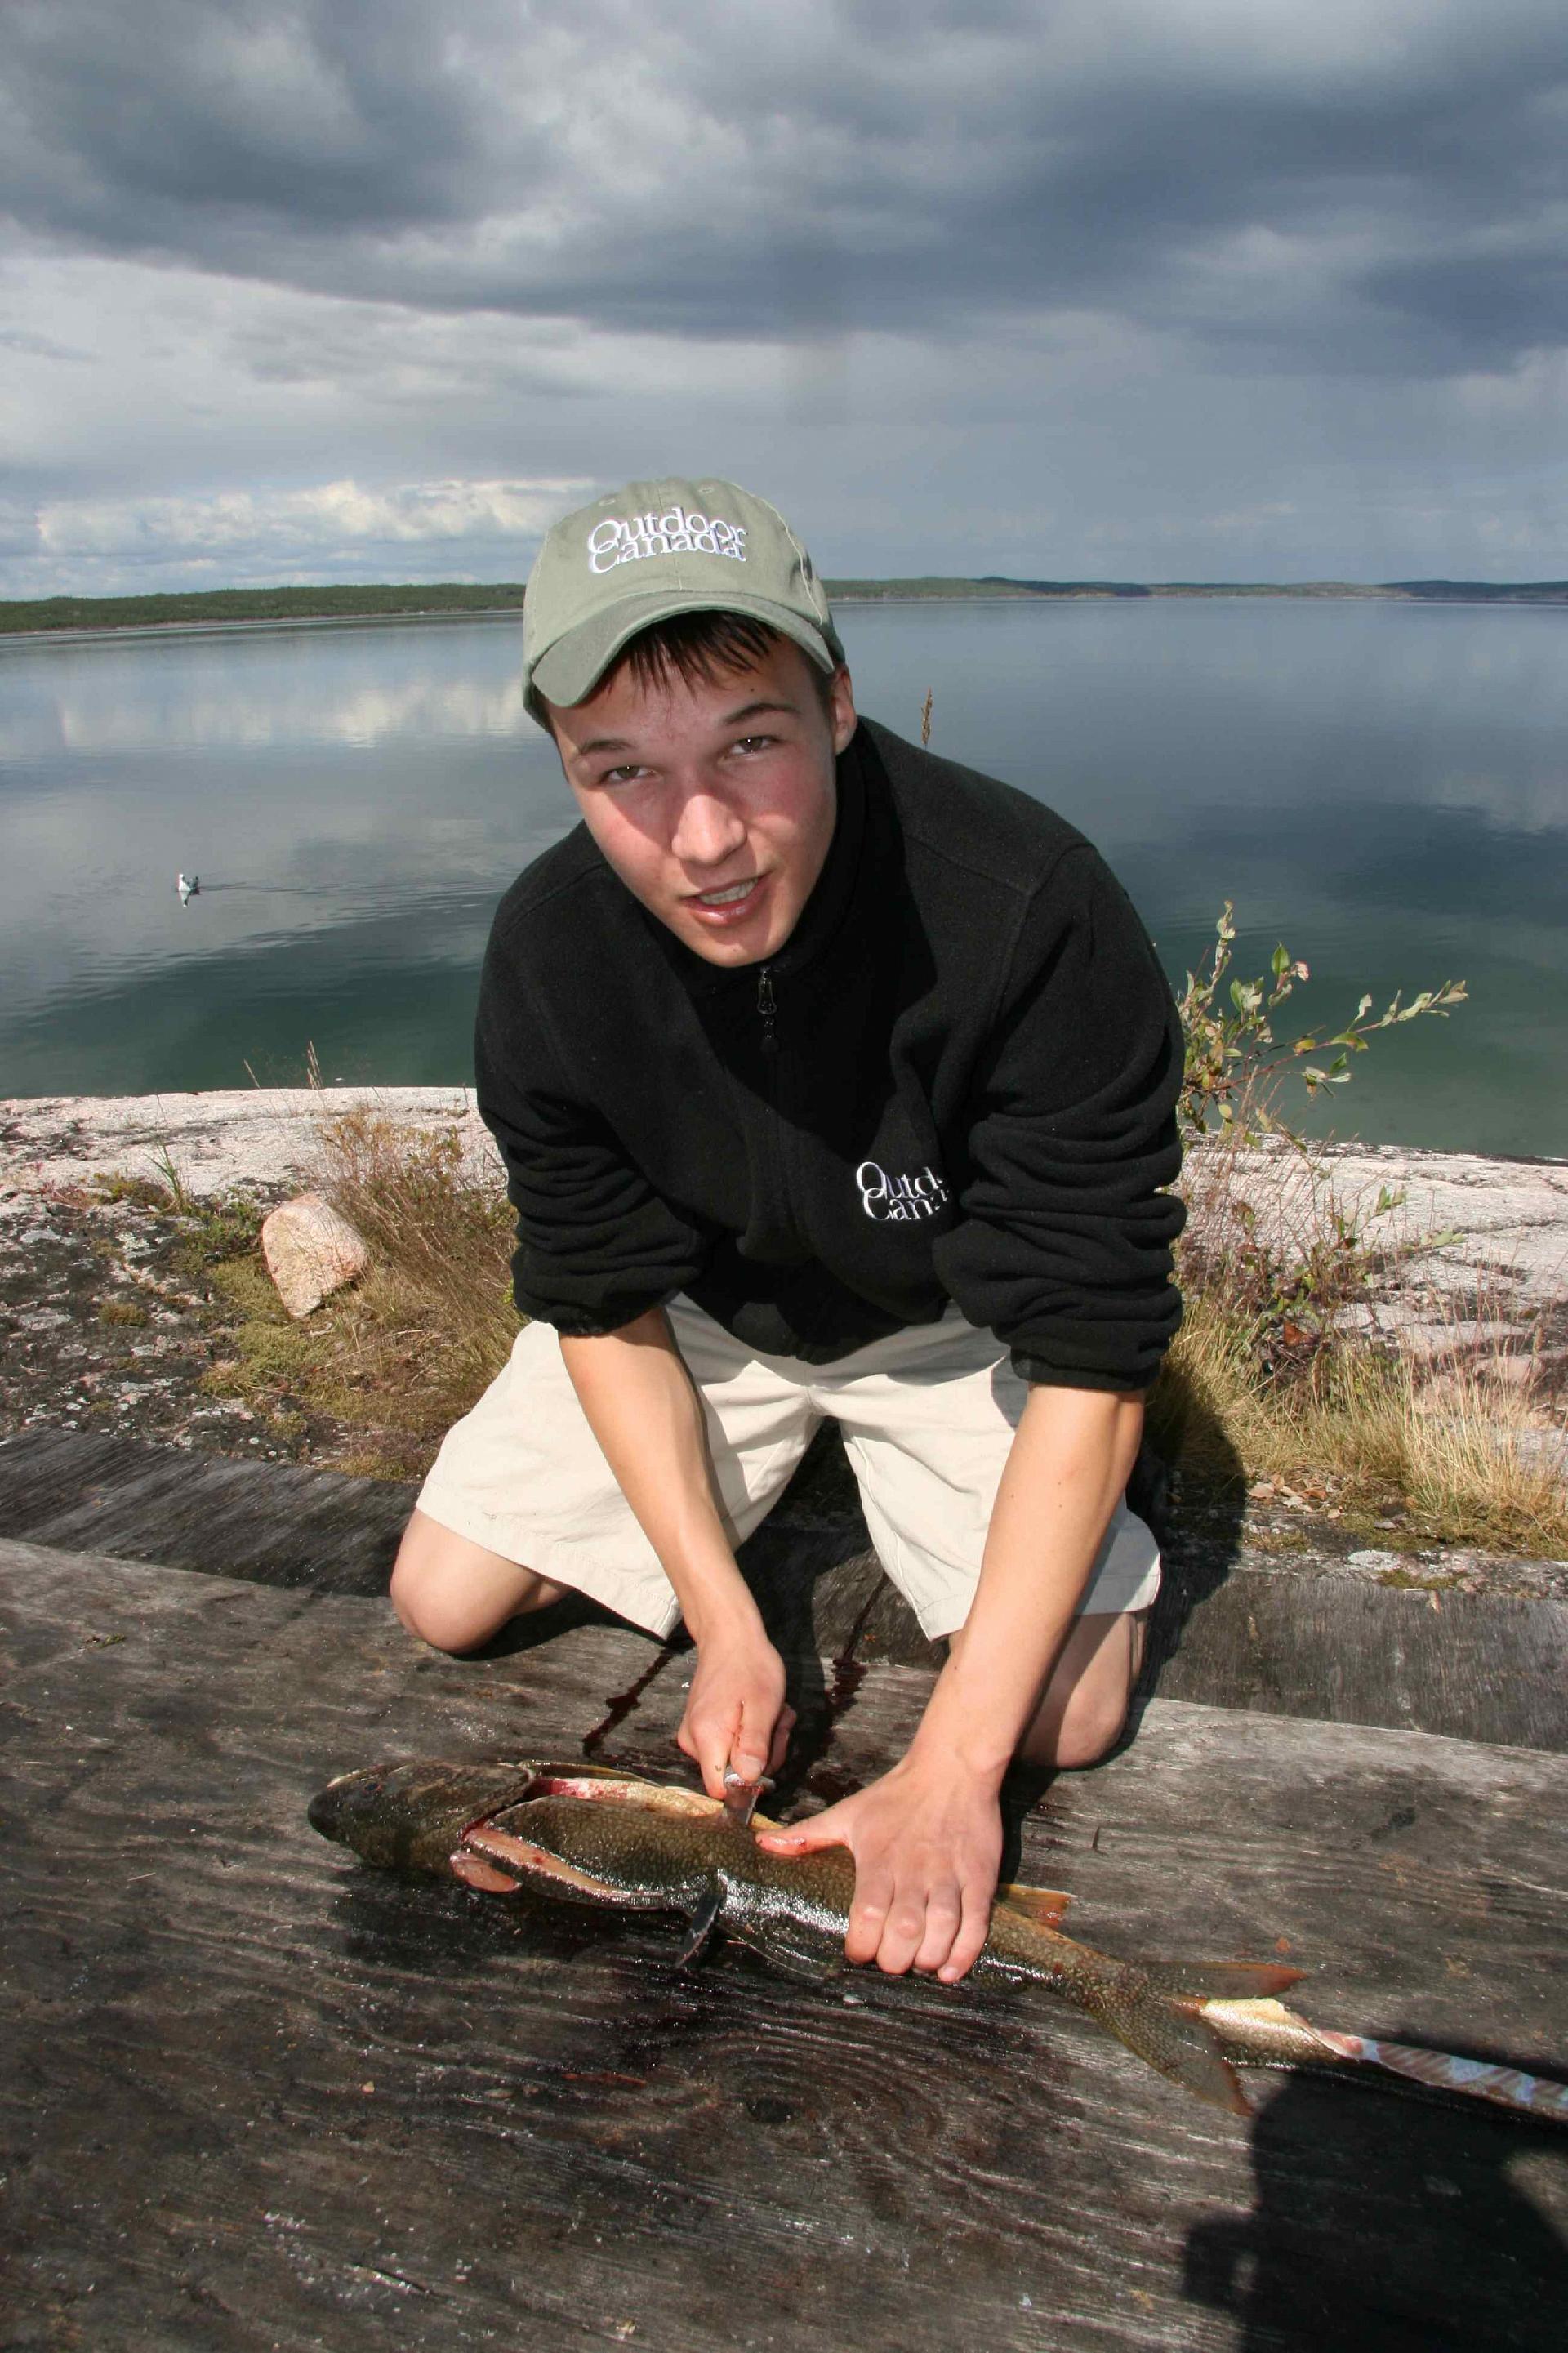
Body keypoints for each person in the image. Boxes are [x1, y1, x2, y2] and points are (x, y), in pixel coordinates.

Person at [390, 475, 1184, 1986]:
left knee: (1063, 1718)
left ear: (836, 702)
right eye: (619, 770)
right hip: (703, 1321)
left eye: (748, 744)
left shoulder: (1026, 910)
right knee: (443, 1597)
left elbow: (1093, 1352)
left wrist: (952, 1774)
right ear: (563, 766)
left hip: (959, 1322)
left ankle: (882, 1491)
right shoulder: (552, 956)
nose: (700, 840)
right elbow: (602, 1296)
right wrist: (724, 1618)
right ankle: (761, 1506)